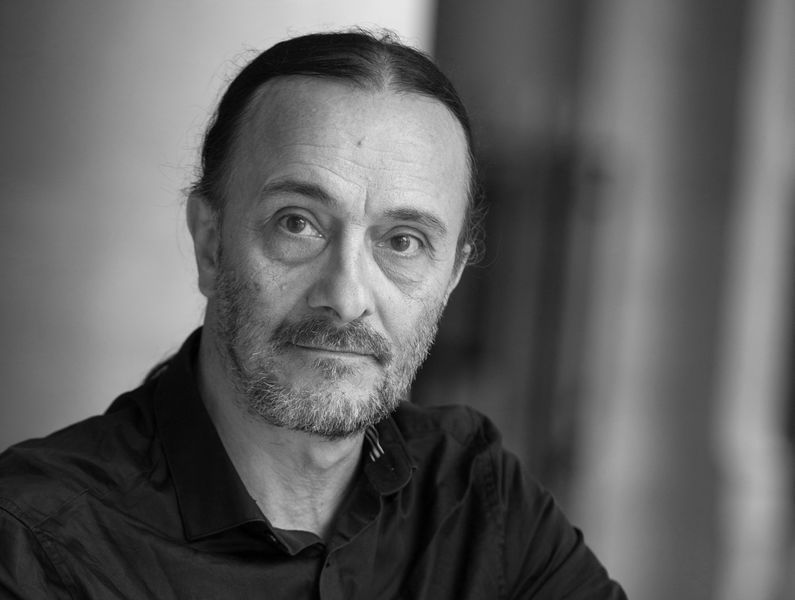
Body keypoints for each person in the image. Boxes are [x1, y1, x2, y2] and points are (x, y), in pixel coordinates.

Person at [0, 30, 626, 599]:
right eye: (297, 224)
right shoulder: (36, 540)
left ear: (451, 278)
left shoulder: (481, 503)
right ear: (211, 243)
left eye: (403, 241)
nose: (346, 298)